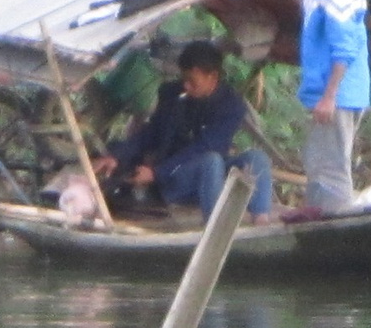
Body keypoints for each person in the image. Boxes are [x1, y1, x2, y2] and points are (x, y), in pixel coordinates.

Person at [94, 39, 273, 218]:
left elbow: (205, 147)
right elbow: (151, 132)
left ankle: (260, 218)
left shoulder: (231, 106)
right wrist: (117, 155)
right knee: (211, 161)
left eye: (192, 81)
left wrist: (156, 172)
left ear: (212, 76)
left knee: (255, 158)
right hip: (174, 179)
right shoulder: (171, 94)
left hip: (208, 176)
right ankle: (213, 223)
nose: (186, 86)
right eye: (184, 79)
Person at [292, 0, 369, 212]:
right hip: (327, 91)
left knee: (332, 168)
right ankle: (319, 218)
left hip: (338, 92)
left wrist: (329, 97)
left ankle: (340, 229)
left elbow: (345, 49)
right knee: (318, 162)